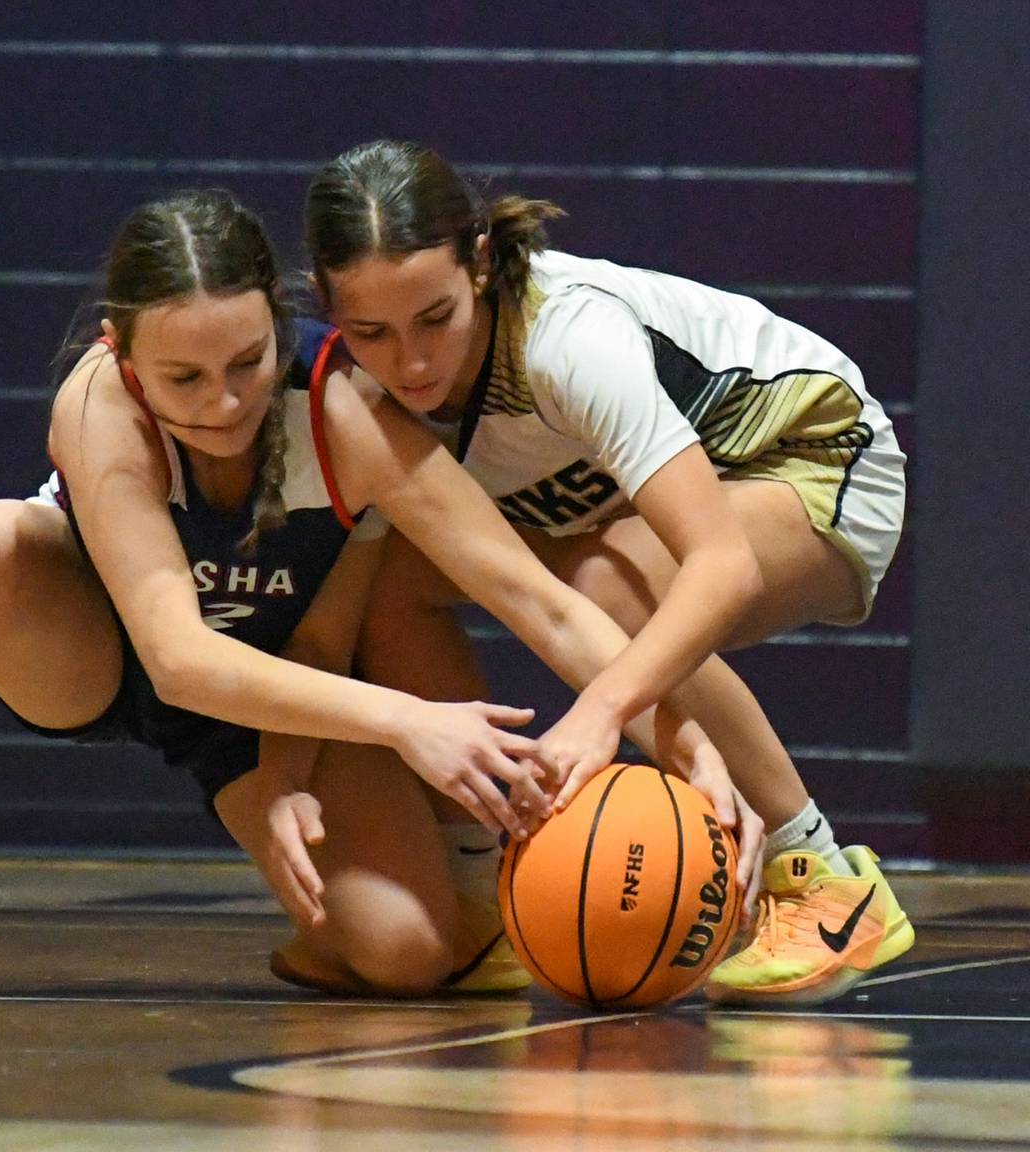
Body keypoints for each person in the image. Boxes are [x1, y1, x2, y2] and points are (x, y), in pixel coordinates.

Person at [0, 190, 756, 999]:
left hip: (282, 697)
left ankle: (417, 897)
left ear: (281, 322)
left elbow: (544, 603)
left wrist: (684, 743)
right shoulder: (97, 406)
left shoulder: (343, 413)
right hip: (108, 655)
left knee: (405, 957)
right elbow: (180, 659)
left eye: (247, 362)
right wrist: (410, 724)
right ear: (122, 352)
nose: (226, 401)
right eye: (183, 380)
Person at [302, 139, 914, 1006]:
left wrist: (601, 714)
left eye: (435, 318)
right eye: (372, 333)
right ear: (329, 305)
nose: (411, 364)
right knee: (395, 586)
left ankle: (818, 871)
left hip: (811, 454)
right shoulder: (349, 390)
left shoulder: (565, 340)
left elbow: (722, 565)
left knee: (607, 586)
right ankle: (475, 893)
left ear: (479, 263)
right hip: (612, 503)